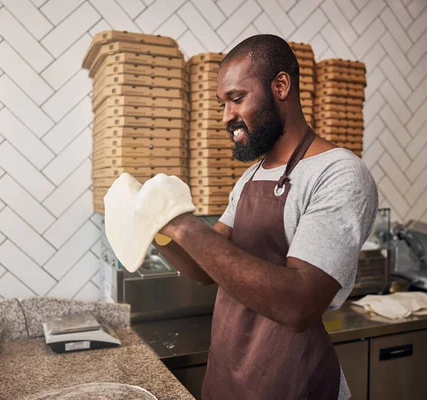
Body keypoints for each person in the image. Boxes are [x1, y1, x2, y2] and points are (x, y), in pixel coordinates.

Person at [153, 34, 379, 400]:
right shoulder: (252, 177)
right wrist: (154, 227)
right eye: (222, 103)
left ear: (280, 86)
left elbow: (299, 304)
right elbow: (204, 270)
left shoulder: (339, 173)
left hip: (293, 383)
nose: (227, 116)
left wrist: (183, 225)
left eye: (237, 99)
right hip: (230, 378)